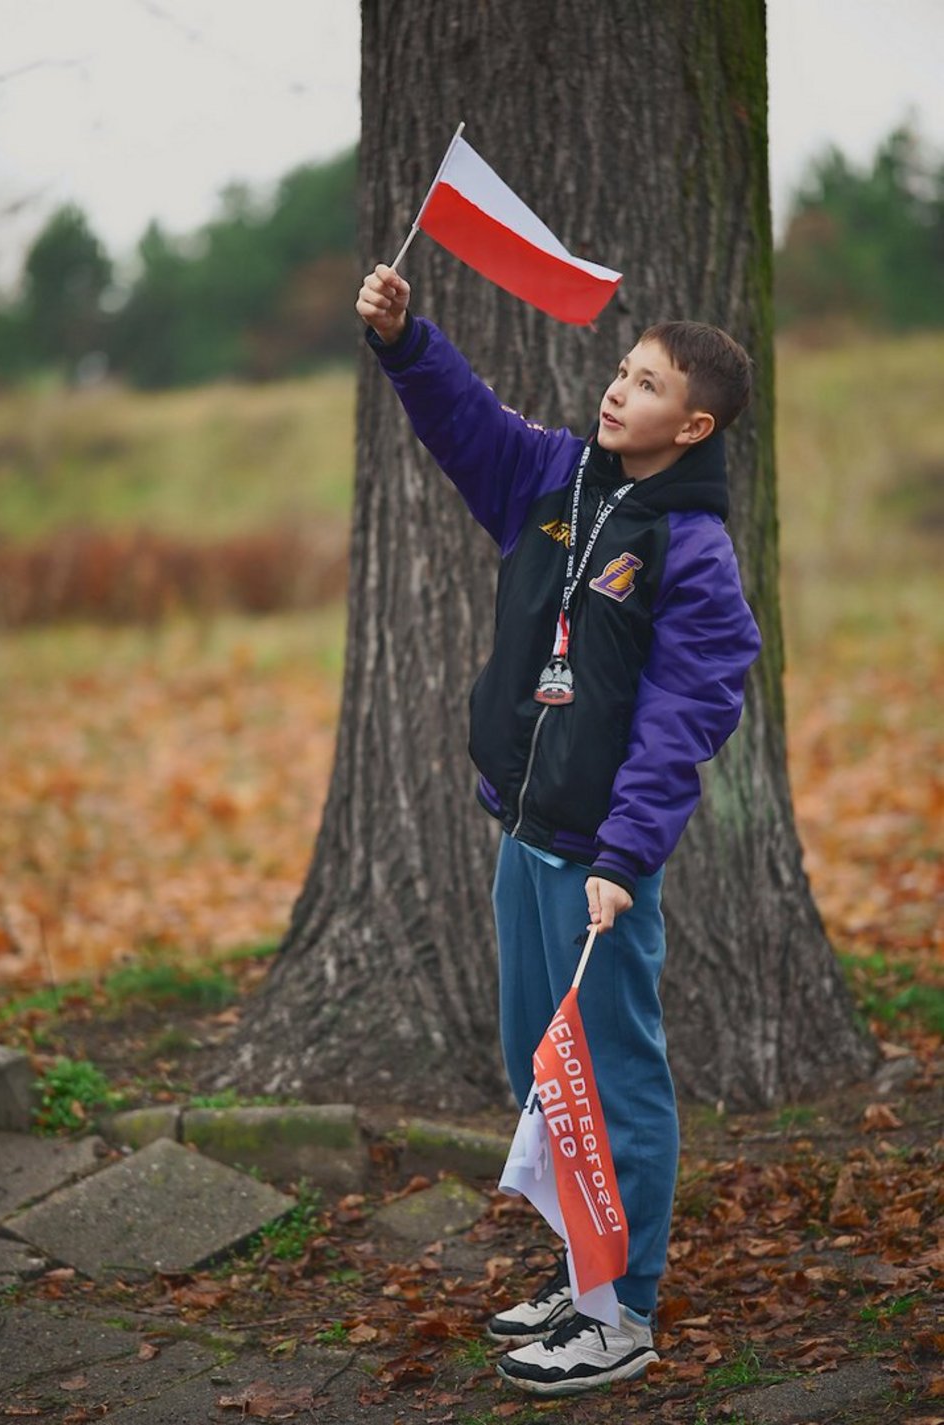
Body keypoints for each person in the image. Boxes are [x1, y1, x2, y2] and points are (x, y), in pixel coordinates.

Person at [356, 263, 762, 1398]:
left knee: (612, 1078)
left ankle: (620, 1312)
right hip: (523, 838)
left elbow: (688, 713)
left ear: (691, 424)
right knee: (541, 1070)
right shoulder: (551, 480)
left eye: (643, 385)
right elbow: (466, 422)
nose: (615, 392)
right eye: (618, 371)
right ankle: (578, 1273)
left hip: (598, 868)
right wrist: (404, 341)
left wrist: (625, 860)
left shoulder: (692, 552)